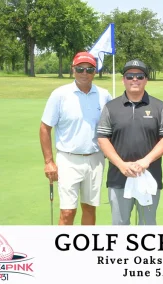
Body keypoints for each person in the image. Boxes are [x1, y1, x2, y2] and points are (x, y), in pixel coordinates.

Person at [97, 59, 163, 225]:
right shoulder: (111, 107)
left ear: (146, 79)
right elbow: (103, 139)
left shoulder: (159, 106)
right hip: (118, 177)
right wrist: (121, 165)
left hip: (149, 177)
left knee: (147, 225)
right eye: (130, 75)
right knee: (119, 225)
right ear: (123, 79)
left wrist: (145, 161)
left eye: (139, 76)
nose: (134, 79)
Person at [39, 51, 112, 225]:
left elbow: (112, 127)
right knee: (67, 211)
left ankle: (84, 250)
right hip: (68, 159)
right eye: (80, 69)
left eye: (89, 69)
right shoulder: (60, 94)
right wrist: (49, 161)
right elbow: (44, 128)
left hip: (95, 159)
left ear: (95, 71)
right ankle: (63, 250)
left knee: (89, 208)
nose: (84, 73)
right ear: (73, 70)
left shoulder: (104, 95)